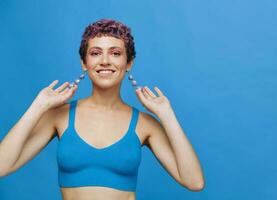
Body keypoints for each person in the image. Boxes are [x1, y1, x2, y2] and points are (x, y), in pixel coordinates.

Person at [0, 18, 204, 200]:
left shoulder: (145, 124)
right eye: (95, 53)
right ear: (84, 63)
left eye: (115, 53)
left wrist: (167, 115)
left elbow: (194, 182)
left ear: (129, 63)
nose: (105, 61)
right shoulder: (59, 117)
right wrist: (38, 107)